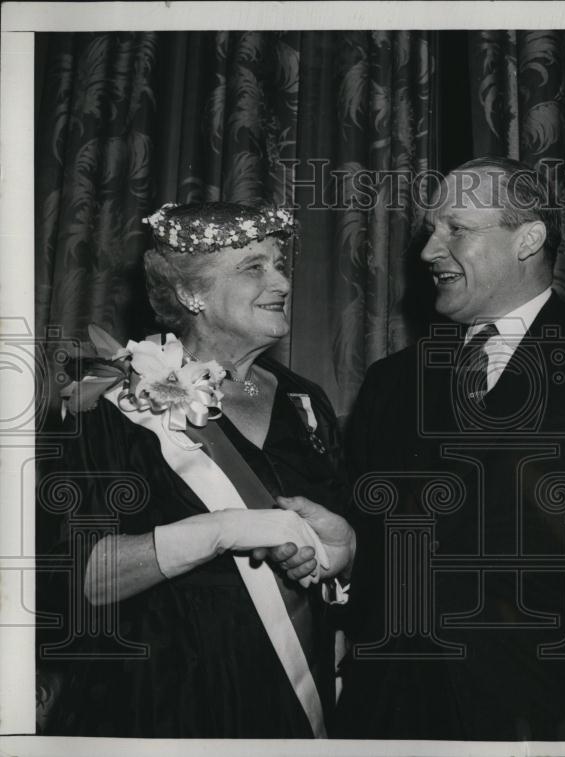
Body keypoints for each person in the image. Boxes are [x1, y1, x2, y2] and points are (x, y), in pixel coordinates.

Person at [336, 157, 565, 741]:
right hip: (390, 710)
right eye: (431, 230)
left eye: (456, 228)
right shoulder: (391, 382)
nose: (428, 251)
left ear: (528, 238)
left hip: (551, 711)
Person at [48, 202, 355, 738]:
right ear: (193, 295)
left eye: (280, 264)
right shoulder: (113, 405)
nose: (282, 279)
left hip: (286, 706)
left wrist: (343, 554)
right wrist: (218, 532)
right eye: (253, 267)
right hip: (162, 704)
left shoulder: (307, 403)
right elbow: (81, 581)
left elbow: (329, 552)